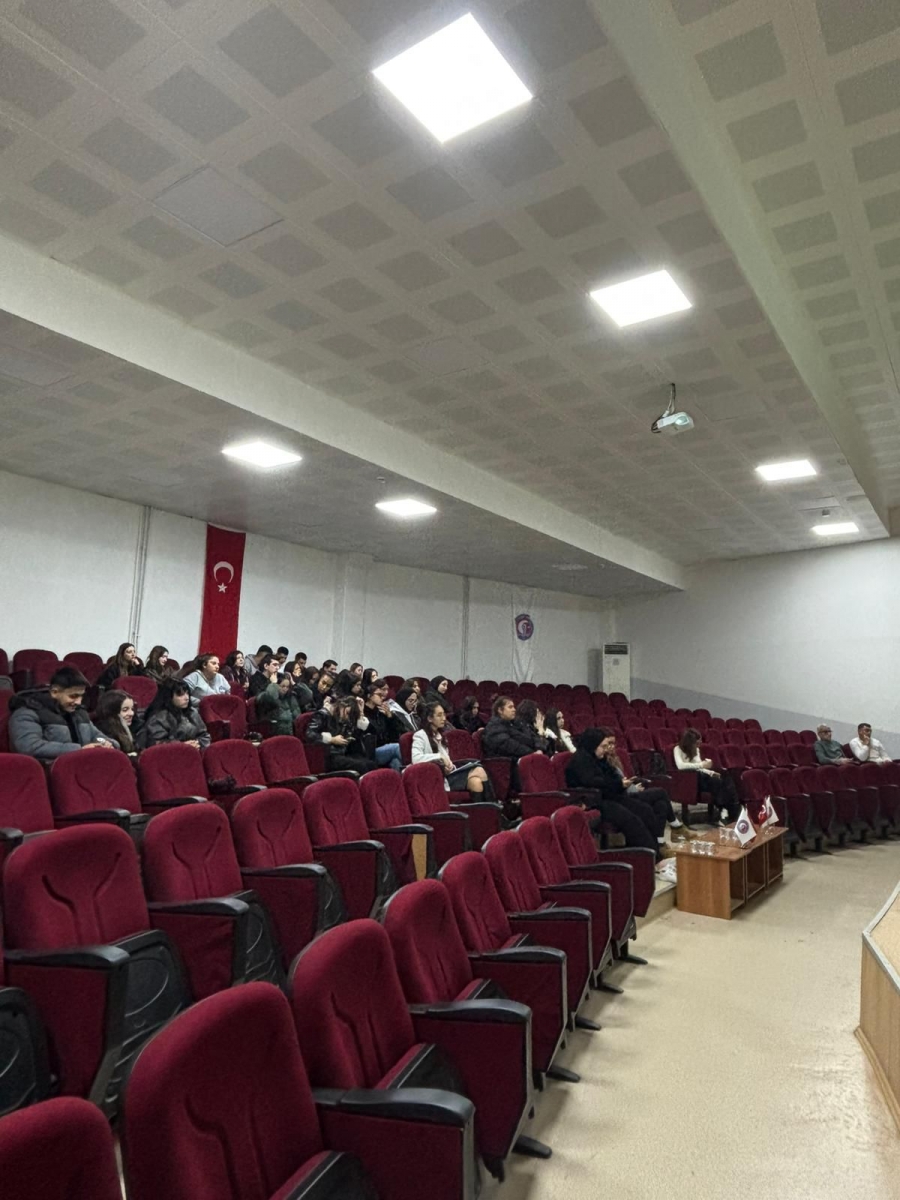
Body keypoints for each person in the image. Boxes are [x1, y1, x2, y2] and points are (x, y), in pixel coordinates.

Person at [563, 728, 662, 857]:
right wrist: (618, 784)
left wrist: (621, 783)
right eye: (603, 746)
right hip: (593, 801)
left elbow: (610, 776)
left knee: (645, 810)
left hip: (609, 795)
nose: (606, 749)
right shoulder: (580, 761)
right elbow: (593, 782)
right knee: (631, 820)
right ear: (592, 745)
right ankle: (649, 858)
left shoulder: (598, 758)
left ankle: (655, 853)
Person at [9, 665, 117, 760]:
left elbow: (97, 736)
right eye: (73, 696)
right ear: (54, 692)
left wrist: (107, 743)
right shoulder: (27, 712)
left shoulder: (79, 713)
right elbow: (30, 747)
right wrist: (79, 749)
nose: (79, 702)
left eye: (81, 696)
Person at [412, 701, 491, 797]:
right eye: (439, 715)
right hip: (434, 778)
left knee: (475, 782)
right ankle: (494, 804)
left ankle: (487, 806)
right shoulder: (420, 735)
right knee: (479, 770)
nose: (444, 718)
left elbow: (447, 760)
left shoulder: (441, 736)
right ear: (429, 718)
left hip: (447, 774)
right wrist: (439, 756)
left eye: (444, 715)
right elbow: (415, 759)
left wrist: (450, 767)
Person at [674, 728, 740, 822]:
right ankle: (724, 809)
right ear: (689, 742)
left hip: (701, 776)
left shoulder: (696, 750)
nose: (700, 743)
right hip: (690, 780)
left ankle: (734, 809)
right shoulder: (677, 749)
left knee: (726, 778)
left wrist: (711, 772)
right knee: (716, 782)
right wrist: (702, 765)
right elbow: (680, 766)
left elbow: (700, 767)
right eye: (697, 742)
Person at [306, 694, 377, 774]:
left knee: (371, 764)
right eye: (347, 713)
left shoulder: (345, 718)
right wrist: (332, 739)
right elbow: (310, 734)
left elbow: (358, 734)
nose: (347, 717)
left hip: (343, 753)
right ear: (341, 706)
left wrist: (360, 713)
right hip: (329, 756)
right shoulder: (322, 714)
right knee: (361, 766)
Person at [138, 680, 210, 750]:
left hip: (196, 752)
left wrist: (197, 743)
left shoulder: (192, 712)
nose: (187, 698)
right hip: (170, 755)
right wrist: (183, 746)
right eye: (180, 695)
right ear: (169, 697)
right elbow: (157, 744)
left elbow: (204, 735)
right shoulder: (157, 718)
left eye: (187, 693)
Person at [363, 679, 403, 772]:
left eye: (382, 695)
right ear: (369, 696)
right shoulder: (363, 714)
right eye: (379, 695)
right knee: (396, 747)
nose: (382, 697)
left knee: (395, 762)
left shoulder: (381, 713)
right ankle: (417, 765)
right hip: (371, 751)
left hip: (385, 748)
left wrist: (390, 717)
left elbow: (395, 733)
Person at [95, 689, 140, 756]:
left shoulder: (135, 727)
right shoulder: (105, 732)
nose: (131, 713)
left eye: (132, 709)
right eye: (125, 710)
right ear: (112, 712)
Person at [256, 673, 301, 737]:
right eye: (282, 686)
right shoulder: (265, 695)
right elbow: (272, 699)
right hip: (274, 731)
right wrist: (273, 684)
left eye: (287, 687)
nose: (285, 689)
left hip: (289, 732)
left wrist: (294, 683)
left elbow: (308, 695)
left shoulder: (290, 697)